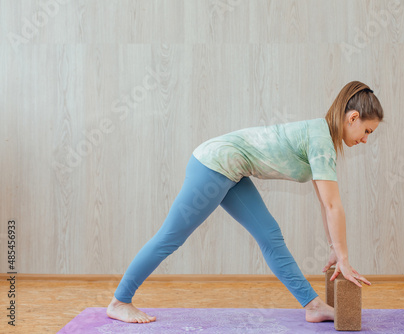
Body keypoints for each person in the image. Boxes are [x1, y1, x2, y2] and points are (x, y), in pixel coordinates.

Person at [106, 80, 384, 324]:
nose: (366, 140)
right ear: (353, 117)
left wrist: (336, 248)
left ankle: (312, 307)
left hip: (233, 170)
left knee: (270, 236)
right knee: (171, 236)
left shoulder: (321, 138)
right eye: (367, 131)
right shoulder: (321, 140)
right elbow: (334, 206)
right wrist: (344, 259)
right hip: (214, 165)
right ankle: (120, 302)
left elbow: (326, 203)